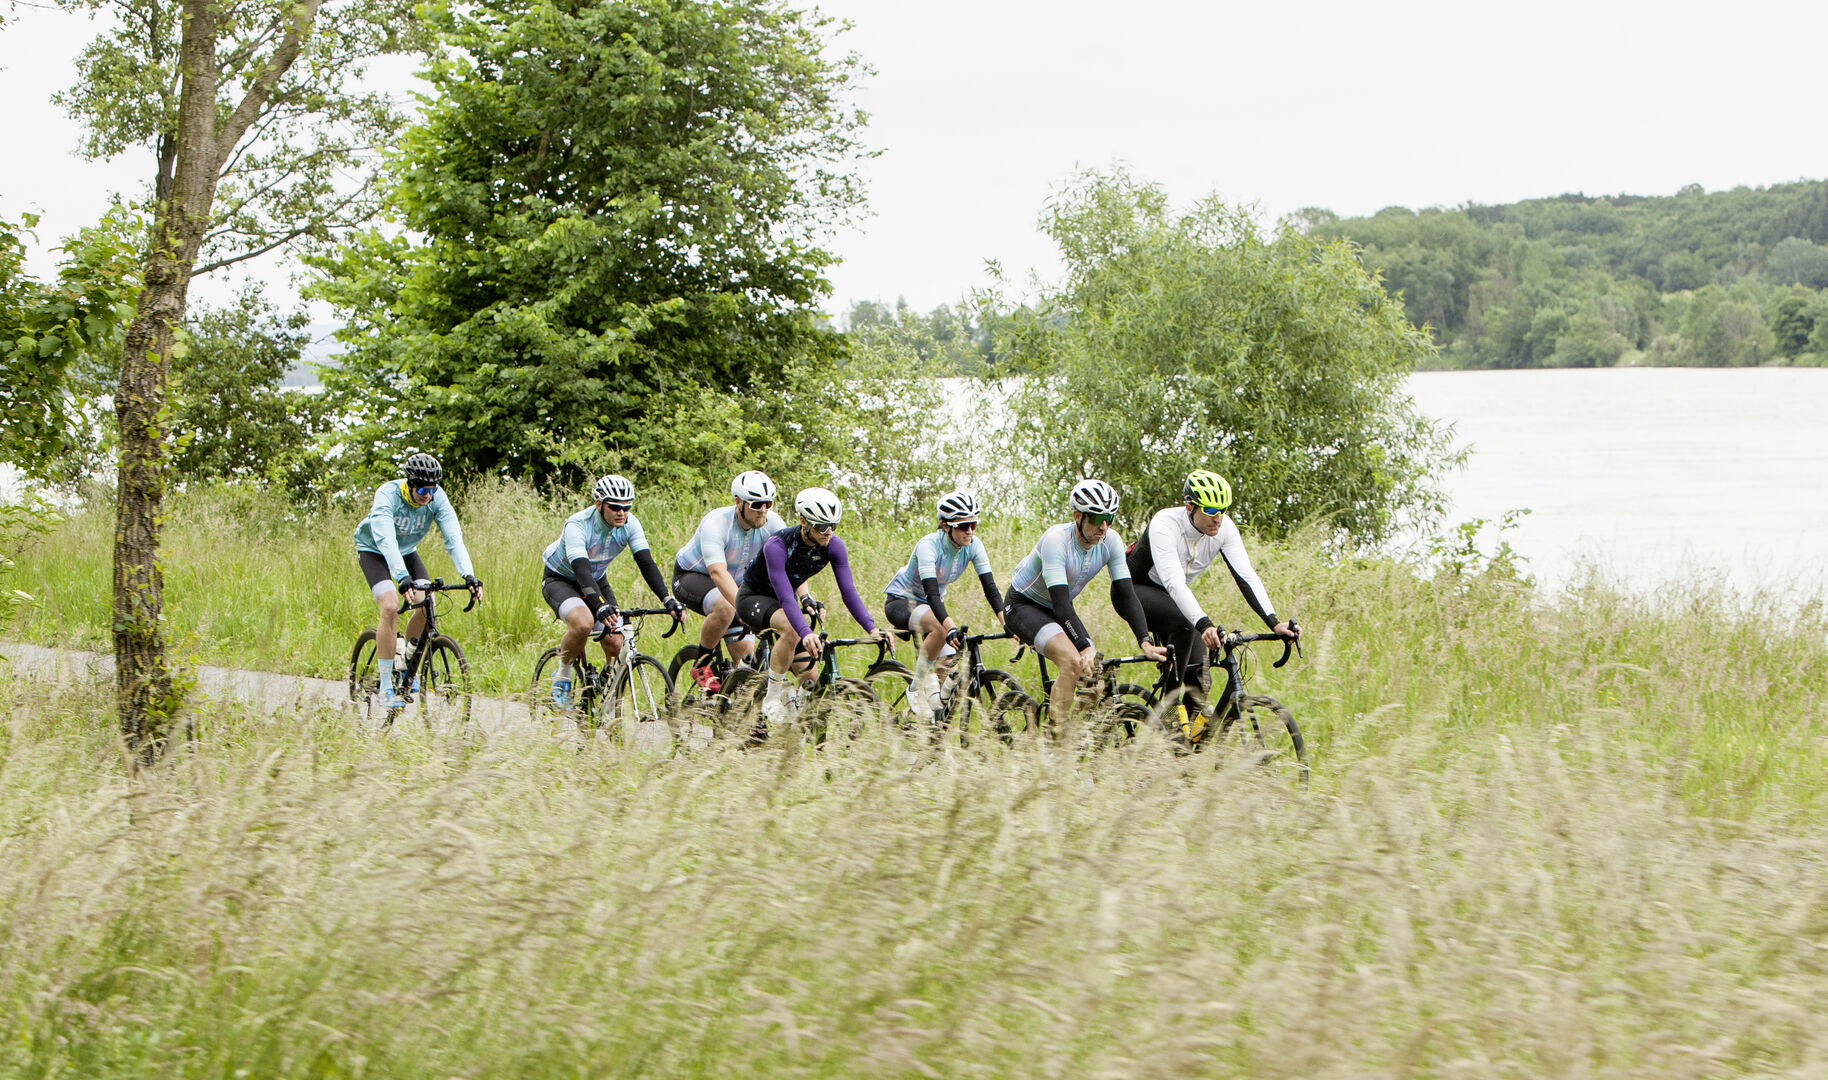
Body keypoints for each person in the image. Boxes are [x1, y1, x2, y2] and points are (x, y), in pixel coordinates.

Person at [1127, 468, 1298, 733]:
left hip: (1175, 597)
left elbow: (1245, 575)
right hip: (1135, 591)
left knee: (1199, 679)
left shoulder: (1223, 528)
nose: (1217, 518)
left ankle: (1186, 752)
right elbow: (1173, 582)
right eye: (1209, 510)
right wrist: (1204, 623)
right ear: (1189, 507)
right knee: (1185, 624)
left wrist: (1274, 622)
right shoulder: (1165, 524)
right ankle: (1170, 722)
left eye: (1222, 510)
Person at [1003, 478, 1167, 724]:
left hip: (1057, 611)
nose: (1103, 527)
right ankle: (1055, 743)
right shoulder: (1056, 541)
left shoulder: (1110, 541)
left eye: (1109, 519)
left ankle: (1074, 734)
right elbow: (1061, 604)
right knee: (1073, 661)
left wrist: (1144, 640)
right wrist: (1085, 647)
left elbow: (1126, 593)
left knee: (1096, 681)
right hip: (1023, 606)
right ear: (1077, 516)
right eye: (1097, 519)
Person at [734, 487, 890, 723]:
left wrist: (872, 628)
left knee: (811, 683)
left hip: (785, 606)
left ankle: (798, 736)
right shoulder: (777, 545)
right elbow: (786, 596)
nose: (828, 532)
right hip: (753, 598)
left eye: (833, 526)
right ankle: (772, 697)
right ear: (803, 521)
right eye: (821, 526)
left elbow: (848, 592)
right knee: (791, 628)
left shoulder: (833, 546)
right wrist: (805, 632)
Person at [540, 474, 684, 710]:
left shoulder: (630, 523)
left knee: (617, 642)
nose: (622, 513)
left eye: (627, 507)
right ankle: (562, 674)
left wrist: (668, 599)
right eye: (615, 507)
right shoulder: (577, 525)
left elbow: (646, 563)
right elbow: (581, 570)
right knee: (584, 623)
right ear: (599, 505)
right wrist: (599, 606)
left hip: (595, 579)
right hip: (563, 578)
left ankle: (610, 706)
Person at [352, 453, 482, 709]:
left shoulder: (436, 497)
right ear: (409, 484)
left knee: (428, 601)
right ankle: (386, 687)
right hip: (374, 549)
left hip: (406, 550)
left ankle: (407, 658)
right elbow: (386, 541)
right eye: (422, 489)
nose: (427, 495)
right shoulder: (387, 495)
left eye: (432, 490)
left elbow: (453, 537)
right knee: (390, 607)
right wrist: (402, 578)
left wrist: (469, 575)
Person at [882, 490, 1004, 716]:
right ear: (947, 526)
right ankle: (915, 688)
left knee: (946, 678)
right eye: (963, 526)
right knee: (940, 628)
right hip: (902, 602)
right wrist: (950, 628)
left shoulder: (974, 546)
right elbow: (931, 594)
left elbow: (991, 589)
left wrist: (1008, 622)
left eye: (973, 525)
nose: (969, 531)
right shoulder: (928, 545)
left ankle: (918, 723)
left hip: (930, 607)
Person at [671, 470, 786, 681]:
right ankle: (701, 665)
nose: (763, 510)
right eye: (756, 504)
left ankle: (730, 697)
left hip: (736, 585)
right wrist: (743, 606)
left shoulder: (773, 524)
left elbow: (788, 565)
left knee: (747, 669)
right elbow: (717, 572)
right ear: (738, 502)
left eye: (768, 504)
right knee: (725, 607)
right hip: (692, 576)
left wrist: (803, 598)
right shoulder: (716, 523)